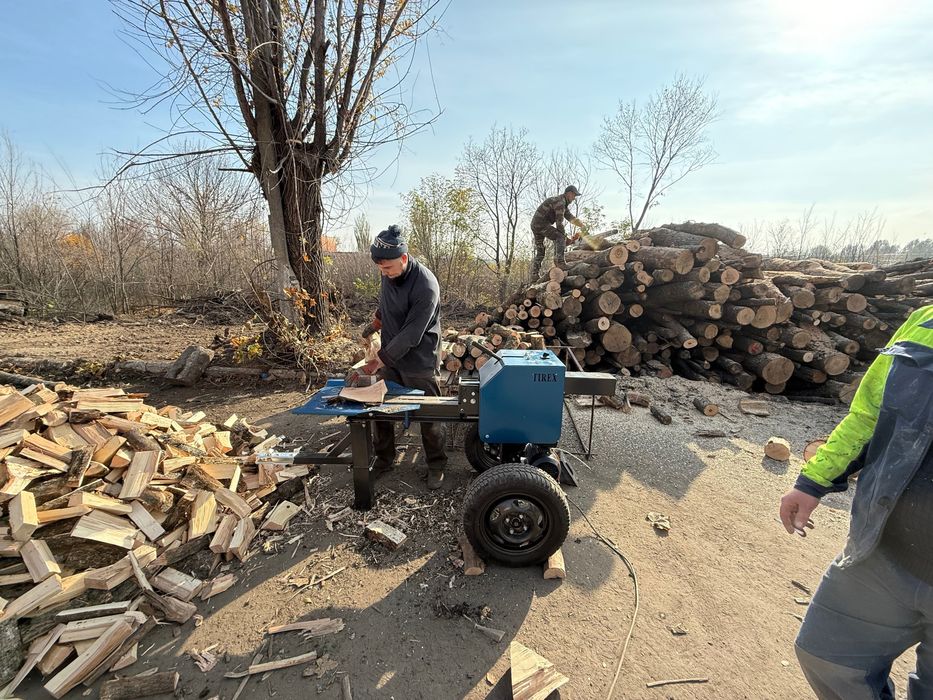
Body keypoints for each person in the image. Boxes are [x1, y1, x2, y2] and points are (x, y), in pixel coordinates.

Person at [779, 304, 933, 699]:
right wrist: (814, 480)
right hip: (882, 554)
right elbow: (868, 414)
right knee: (825, 655)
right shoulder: (925, 320)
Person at [359, 224, 448, 490]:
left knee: (430, 414)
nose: (383, 273)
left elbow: (412, 334)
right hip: (391, 354)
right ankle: (384, 459)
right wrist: (376, 323)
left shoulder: (426, 286)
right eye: (380, 268)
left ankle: (436, 464)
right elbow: (386, 302)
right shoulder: (388, 272)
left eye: (387, 268)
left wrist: (380, 359)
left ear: (404, 258)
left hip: (420, 358)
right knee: (381, 408)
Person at [530, 185, 586, 278]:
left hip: (535, 225)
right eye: (574, 195)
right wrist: (565, 239)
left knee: (541, 251)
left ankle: (534, 275)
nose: (574, 198)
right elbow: (559, 223)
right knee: (559, 236)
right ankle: (560, 263)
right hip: (541, 224)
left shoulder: (562, 203)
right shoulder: (560, 202)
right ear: (569, 193)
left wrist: (582, 225)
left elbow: (570, 217)